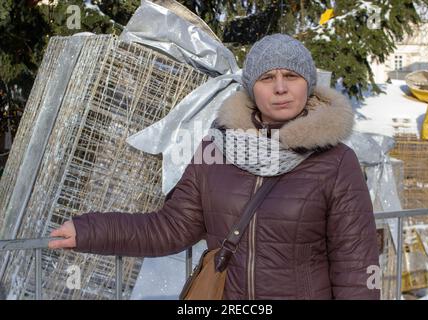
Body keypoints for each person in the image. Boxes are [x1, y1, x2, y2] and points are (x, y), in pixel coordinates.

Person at [49, 33, 380, 300]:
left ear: (307, 84)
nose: (280, 87)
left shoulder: (335, 162)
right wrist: (90, 230)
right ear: (252, 88)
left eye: (291, 76)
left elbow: (355, 264)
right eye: (268, 78)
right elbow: (170, 228)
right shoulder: (217, 150)